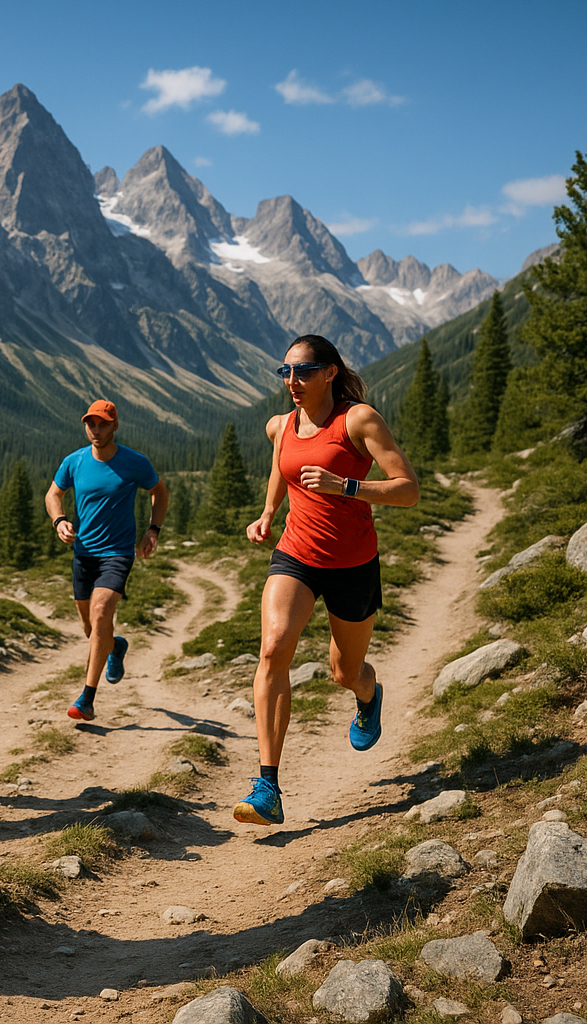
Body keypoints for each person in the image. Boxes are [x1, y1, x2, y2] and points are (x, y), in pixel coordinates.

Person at [235, 334, 418, 826]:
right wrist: (269, 511)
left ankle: (367, 694)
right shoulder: (282, 424)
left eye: (305, 371)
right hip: (296, 554)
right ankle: (267, 786)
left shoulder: (358, 420)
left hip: (353, 564)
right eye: (287, 372)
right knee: (273, 649)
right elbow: (282, 462)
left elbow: (408, 489)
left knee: (345, 671)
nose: (293, 381)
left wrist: (348, 487)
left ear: (331, 372)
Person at [44, 400, 168, 722]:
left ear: (115, 426)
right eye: (90, 424)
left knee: (101, 612)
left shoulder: (134, 462)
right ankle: (115, 646)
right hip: (83, 554)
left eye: (102, 424)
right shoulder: (74, 462)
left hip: (117, 554)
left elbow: (160, 491)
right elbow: (52, 494)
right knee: (90, 627)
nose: (96, 431)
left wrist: (153, 529)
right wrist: (59, 521)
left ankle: (86, 698)